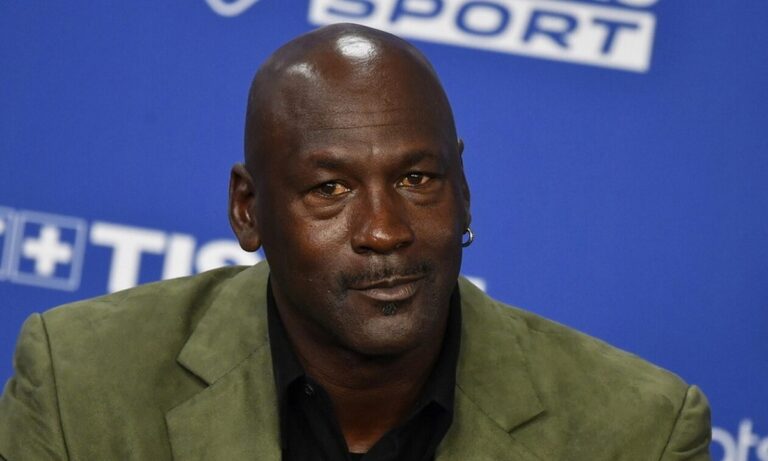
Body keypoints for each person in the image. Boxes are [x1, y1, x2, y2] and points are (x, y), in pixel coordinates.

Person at [0, 23, 711, 460]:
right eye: (330, 189)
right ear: (248, 210)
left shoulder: (639, 432)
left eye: (417, 178)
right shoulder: (80, 380)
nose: (385, 231)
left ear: (464, 189)